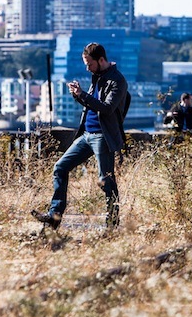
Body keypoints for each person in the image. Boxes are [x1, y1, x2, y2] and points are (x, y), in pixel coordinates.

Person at [32, 43, 128, 230]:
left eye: (90, 64)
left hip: (103, 137)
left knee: (106, 180)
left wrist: (82, 94)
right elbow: (92, 105)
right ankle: (54, 215)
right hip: (86, 135)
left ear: (101, 60)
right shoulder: (97, 77)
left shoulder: (117, 81)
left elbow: (107, 108)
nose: (87, 68)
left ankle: (112, 224)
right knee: (60, 167)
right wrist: (79, 96)